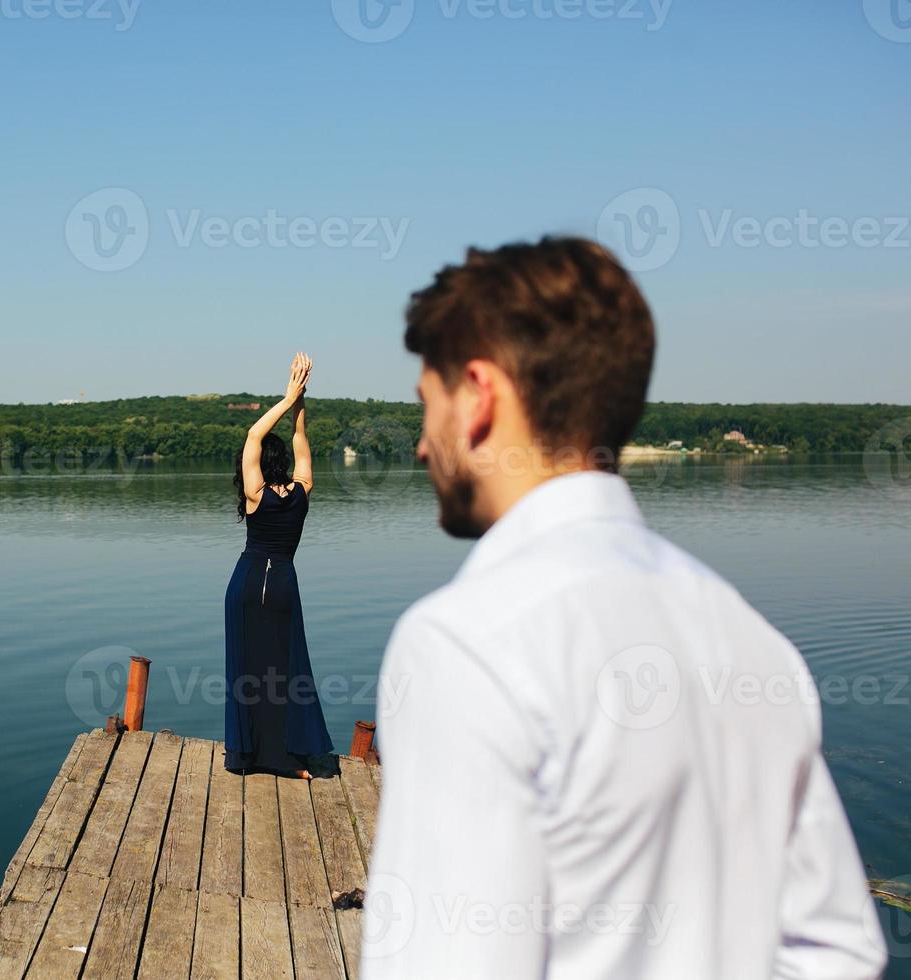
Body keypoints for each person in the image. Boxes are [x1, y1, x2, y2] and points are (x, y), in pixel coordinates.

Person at [361, 237, 886, 978]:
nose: (422, 447)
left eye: (428, 407)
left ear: (479, 396)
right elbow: (838, 951)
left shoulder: (467, 642)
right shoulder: (752, 638)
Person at [224, 351, 334, 779]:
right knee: (285, 671)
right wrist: (300, 403)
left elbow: (253, 435)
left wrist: (287, 398)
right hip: (283, 583)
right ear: (284, 465)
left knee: (247, 669)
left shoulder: (255, 495)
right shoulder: (303, 491)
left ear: (259, 468)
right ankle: (290, 758)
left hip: (247, 583)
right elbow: (301, 443)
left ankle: (247, 755)